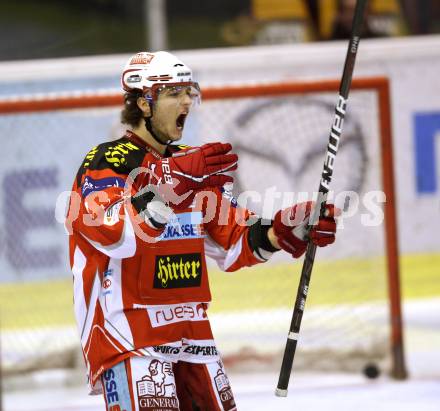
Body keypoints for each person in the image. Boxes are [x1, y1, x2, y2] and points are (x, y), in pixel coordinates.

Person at [66, 51, 338, 411]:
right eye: (174, 93)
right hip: (128, 337)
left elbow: (232, 241)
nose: (187, 101)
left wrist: (285, 230)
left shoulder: (192, 166)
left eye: (189, 91)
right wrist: (170, 183)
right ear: (144, 103)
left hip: (192, 335)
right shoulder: (107, 161)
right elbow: (113, 233)